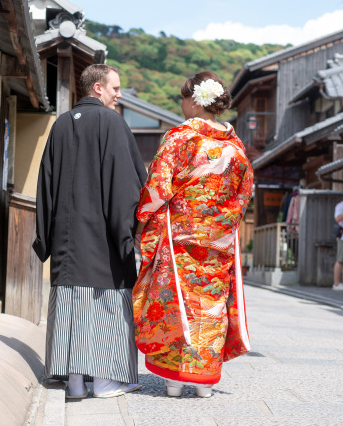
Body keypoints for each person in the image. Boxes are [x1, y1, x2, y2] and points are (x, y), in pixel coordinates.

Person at [132, 71, 253, 398]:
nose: (182, 104)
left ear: (194, 101)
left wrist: (142, 223)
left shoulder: (179, 138)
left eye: (184, 98)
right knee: (211, 305)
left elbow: (158, 187)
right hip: (218, 241)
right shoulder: (236, 146)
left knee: (178, 300)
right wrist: (223, 224)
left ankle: (174, 380)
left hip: (180, 237)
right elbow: (244, 194)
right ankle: (205, 381)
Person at [33, 64, 147, 399]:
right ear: (98, 88)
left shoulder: (61, 124)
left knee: (71, 303)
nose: (119, 95)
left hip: (66, 240)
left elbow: (46, 184)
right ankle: (105, 381)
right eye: (115, 88)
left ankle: (75, 382)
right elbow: (126, 184)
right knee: (105, 305)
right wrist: (129, 232)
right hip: (103, 239)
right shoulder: (112, 123)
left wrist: (46, 236)